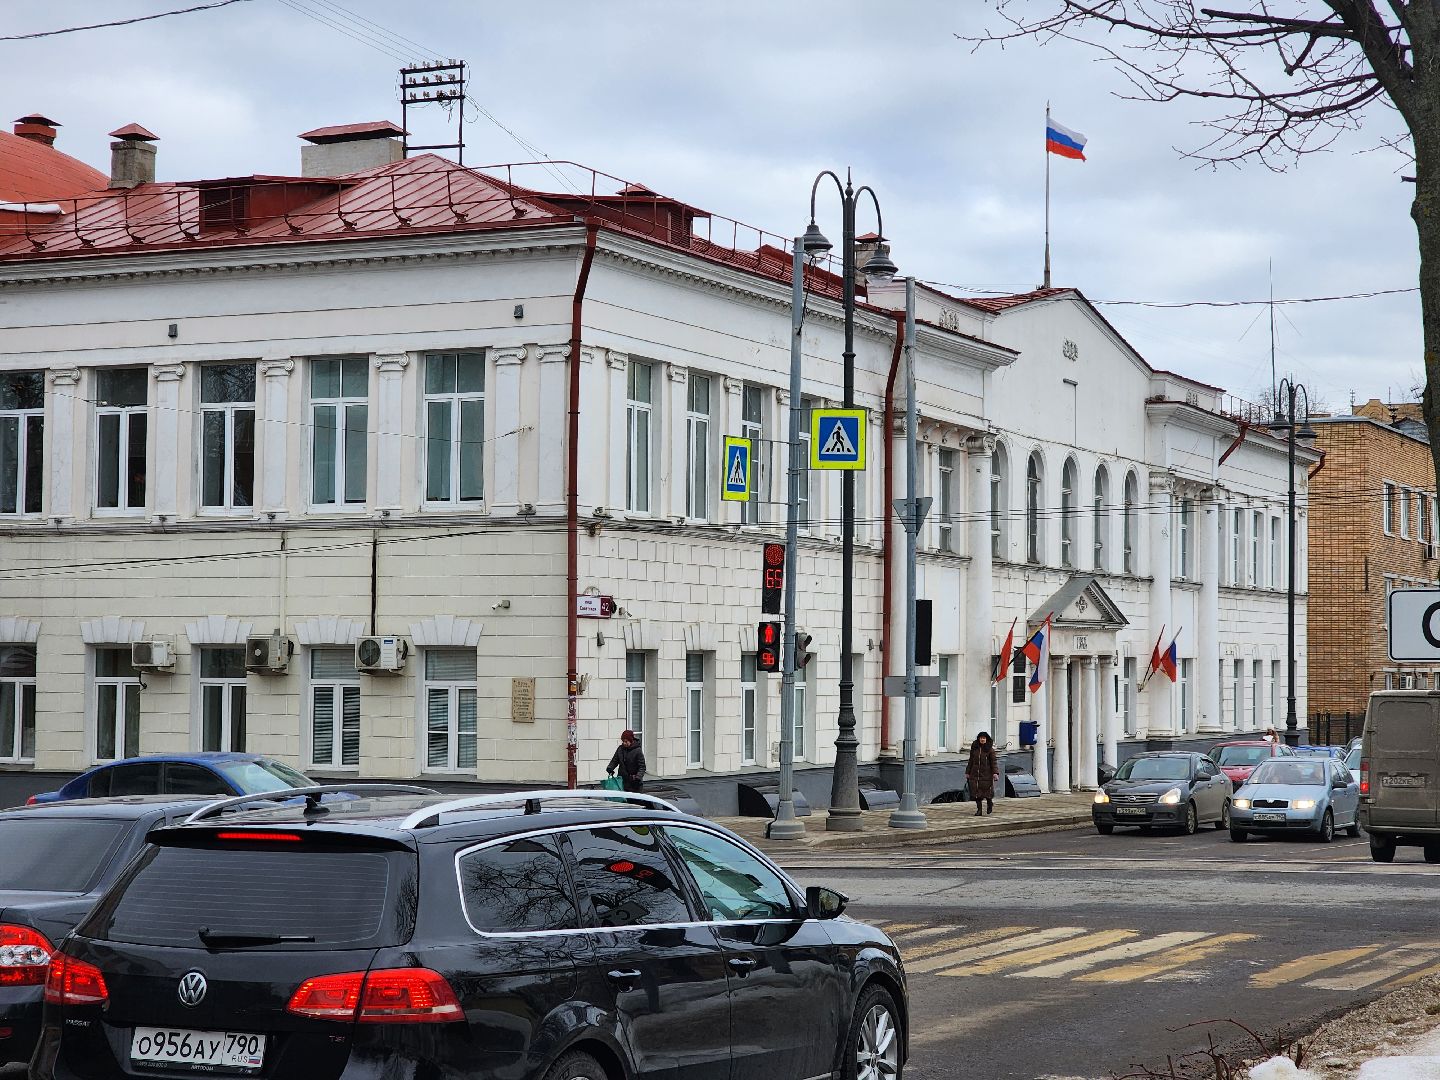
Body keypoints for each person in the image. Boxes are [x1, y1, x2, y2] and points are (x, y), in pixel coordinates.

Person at [966, 730, 999, 816]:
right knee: (976, 793)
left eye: (984, 738)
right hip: (975, 774)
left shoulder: (990, 750)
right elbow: (971, 761)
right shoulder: (975, 749)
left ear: (986, 739)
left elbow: (994, 762)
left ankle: (989, 804)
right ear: (979, 739)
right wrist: (968, 772)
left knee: (987, 793)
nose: (982, 740)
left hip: (986, 775)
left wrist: (995, 773)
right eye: (981, 738)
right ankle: (979, 810)